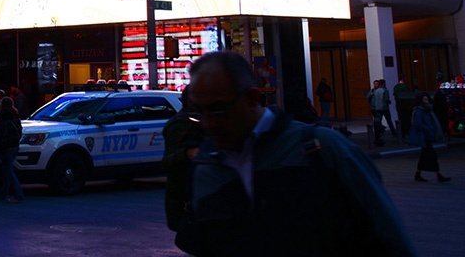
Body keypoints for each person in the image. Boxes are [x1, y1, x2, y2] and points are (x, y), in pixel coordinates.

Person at [175, 51, 417, 256]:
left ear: (251, 98)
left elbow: (387, 235)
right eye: (198, 111)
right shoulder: (205, 169)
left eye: (218, 110)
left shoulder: (322, 149)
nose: (208, 123)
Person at [162, 86, 203, 231]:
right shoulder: (180, 125)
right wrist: (188, 153)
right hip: (185, 200)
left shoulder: (202, 120)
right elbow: (168, 163)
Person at [409, 92, 450, 183]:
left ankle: (418, 174)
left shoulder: (427, 110)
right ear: (421, 101)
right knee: (432, 155)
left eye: (427, 99)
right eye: (425, 100)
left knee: (425, 155)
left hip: (427, 136)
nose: (427, 101)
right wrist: (429, 128)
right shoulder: (420, 111)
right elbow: (418, 124)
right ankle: (438, 175)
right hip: (424, 136)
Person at [0, 96, 24, 202]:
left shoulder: (2, 117)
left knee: (8, 171)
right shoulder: (16, 117)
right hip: (15, 145)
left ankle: (18, 194)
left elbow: (0, 133)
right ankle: (3, 193)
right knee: (7, 170)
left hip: (6, 146)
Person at [366, 79, 391, 146]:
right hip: (374, 108)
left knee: (381, 120)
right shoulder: (373, 90)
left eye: (377, 84)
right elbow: (368, 97)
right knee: (377, 120)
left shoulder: (378, 91)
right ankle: (379, 131)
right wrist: (370, 95)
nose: (375, 85)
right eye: (374, 84)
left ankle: (380, 131)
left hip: (377, 108)